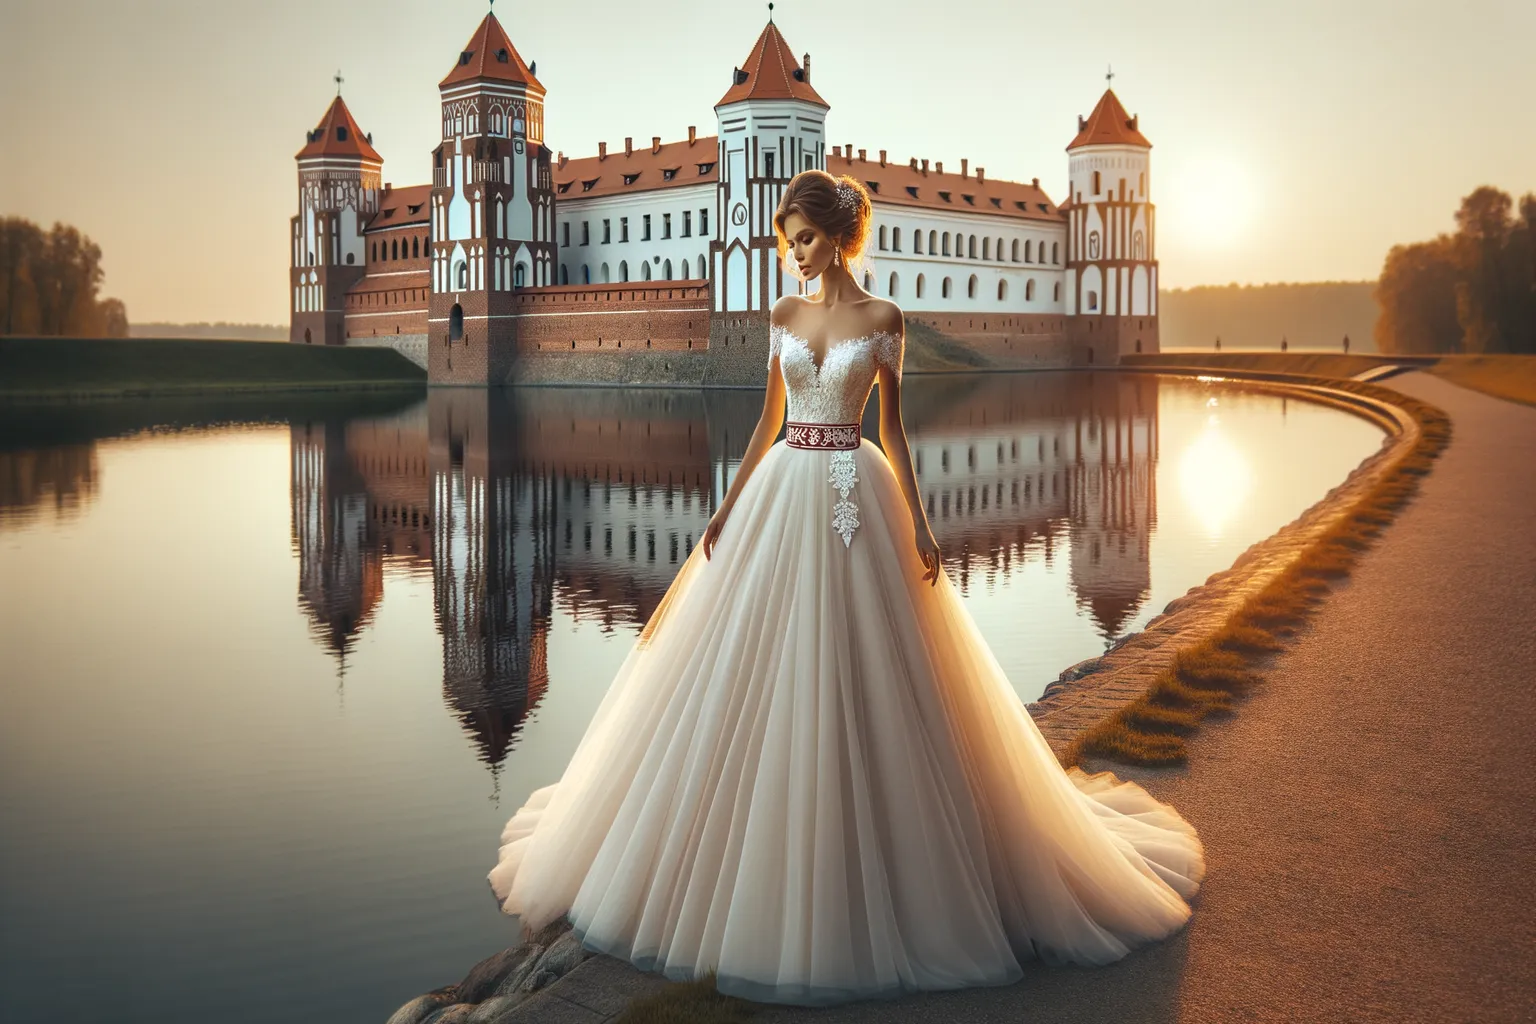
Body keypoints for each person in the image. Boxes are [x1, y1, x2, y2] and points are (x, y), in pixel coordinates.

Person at [488, 170, 1206, 1007]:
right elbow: (766, 420)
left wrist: (925, 523)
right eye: (786, 240)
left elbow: (892, 429)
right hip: (781, 488)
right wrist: (725, 505)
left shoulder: (884, 321)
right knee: (748, 665)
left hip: (855, 491)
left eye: (805, 239)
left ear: (840, 238)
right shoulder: (783, 317)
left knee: (872, 668)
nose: (793, 254)